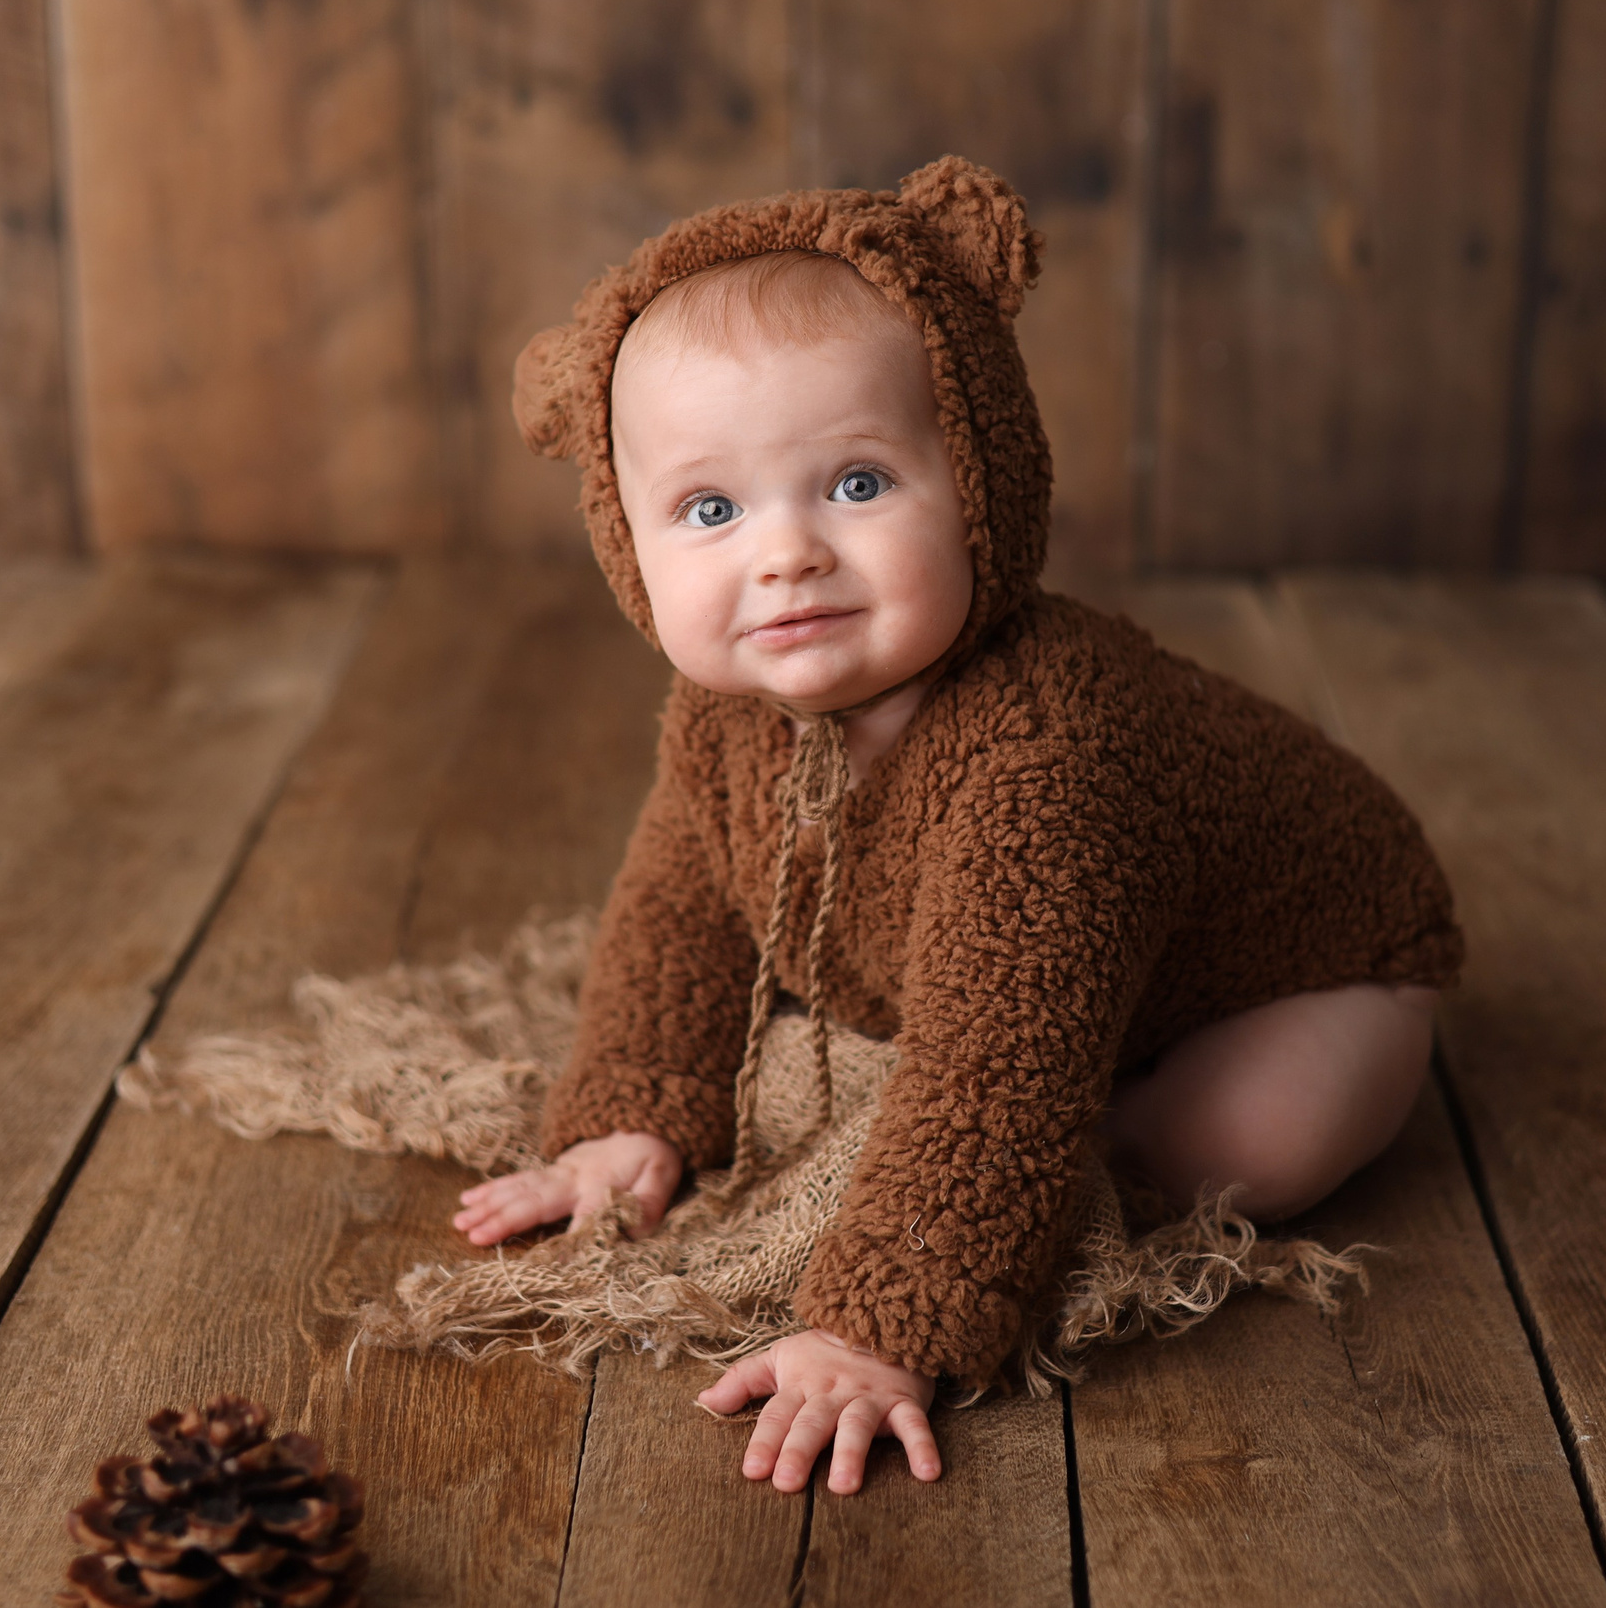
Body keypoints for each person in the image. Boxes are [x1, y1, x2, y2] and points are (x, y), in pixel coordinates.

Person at [454, 158, 1461, 1497]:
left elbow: (1000, 1065)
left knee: (1226, 1147)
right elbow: (681, 903)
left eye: (858, 485)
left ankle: (1134, 1125)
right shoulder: (721, 722)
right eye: (711, 509)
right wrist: (637, 1104)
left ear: (981, 471)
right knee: (971, 1035)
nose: (786, 553)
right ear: (628, 543)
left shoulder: (1047, 752)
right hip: (1082, 962)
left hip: (1316, 964)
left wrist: (881, 1322)